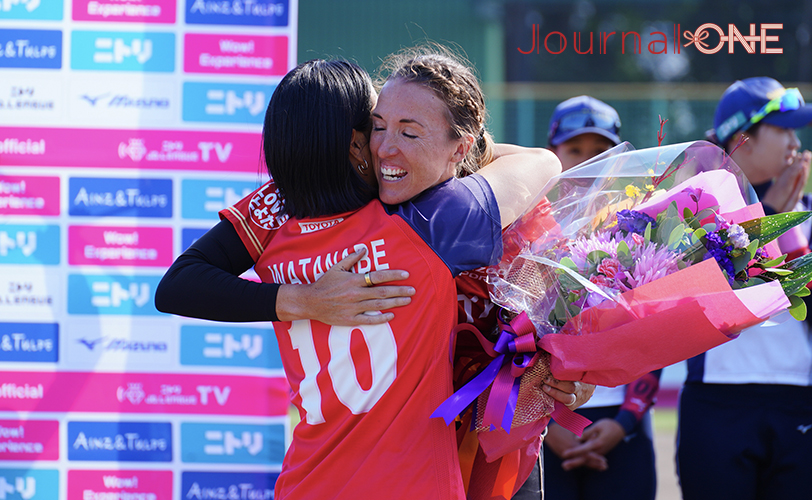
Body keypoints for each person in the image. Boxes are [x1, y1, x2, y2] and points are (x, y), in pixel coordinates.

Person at [155, 53, 574, 499]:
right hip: (415, 485)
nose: (385, 144)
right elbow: (542, 163)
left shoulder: (274, 223)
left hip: (307, 483)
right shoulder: (427, 224)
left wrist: (295, 297)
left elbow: (177, 286)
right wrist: (460, 149)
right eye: (377, 126)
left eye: (405, 130)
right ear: (356, 145)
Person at [677, 77, 812, 500]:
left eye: (796, 130)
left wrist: (791, 230)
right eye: (783, 129)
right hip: (718, 401)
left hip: (798, 400)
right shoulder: (695, 204)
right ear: (744, 138)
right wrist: (771, 215)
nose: (795, 142)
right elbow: (715, 299)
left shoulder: (806, 210)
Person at [537, 95, 661, 500]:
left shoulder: (643, 228)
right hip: (541, 426)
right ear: (553, 153)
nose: (588, 161)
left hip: (619, 427)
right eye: (575, 150)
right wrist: (549, 426)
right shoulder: (526, 229)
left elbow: (658, 334)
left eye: (601, 151)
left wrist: (626, 421)